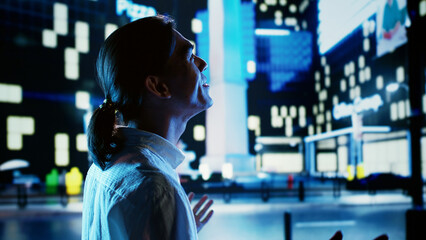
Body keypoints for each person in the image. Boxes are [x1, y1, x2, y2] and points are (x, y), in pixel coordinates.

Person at [82, 15, 214, 239]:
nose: (202, 63)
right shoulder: (156, 189)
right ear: (158, 86)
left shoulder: (104, 165)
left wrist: (176, 226)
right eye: (189, 56)